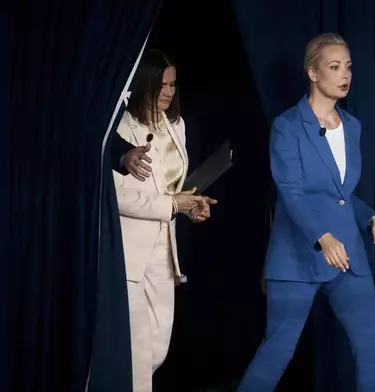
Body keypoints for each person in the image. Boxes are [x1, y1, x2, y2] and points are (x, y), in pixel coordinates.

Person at [237, 33, 375, 392]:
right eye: (335, 67)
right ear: (312, 72)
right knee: (277, 351)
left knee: (372, 350)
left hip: (348, 256)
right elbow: (291, 192)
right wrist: (322, 236)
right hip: (297, 256)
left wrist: (371, 217)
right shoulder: (287, 126)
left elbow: (340, 195)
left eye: (348, 67)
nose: (345, 75)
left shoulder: (352, 126)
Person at [112, 49, 216, 392]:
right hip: (130, 251)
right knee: (138, 352)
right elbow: (120, 197)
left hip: (165, 249)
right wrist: (172, 204)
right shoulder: (122, 128)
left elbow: (173, 188)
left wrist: (189, 204)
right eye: (162, 85)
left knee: (158, 347)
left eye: (172, 84)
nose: (169, 92)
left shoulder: (176, 125)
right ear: (144, 85)